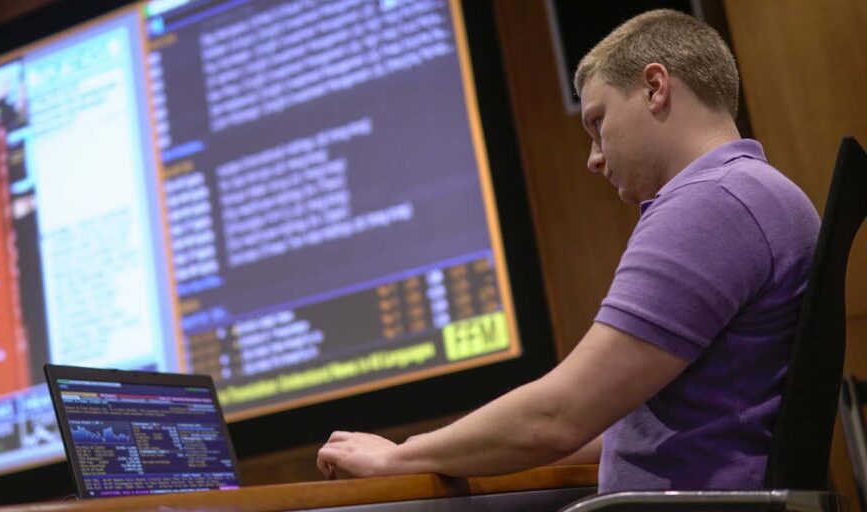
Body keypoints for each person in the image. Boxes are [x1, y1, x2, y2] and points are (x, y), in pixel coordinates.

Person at [316, 9, 820, 492]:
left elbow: (558, 416)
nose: (593, 159)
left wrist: (397, 456)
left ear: (654, 87)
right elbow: (617, 424)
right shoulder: (757, 192)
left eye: (597, 123)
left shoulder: (711, 203)